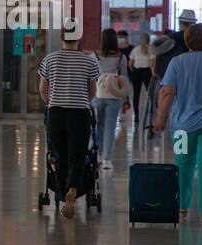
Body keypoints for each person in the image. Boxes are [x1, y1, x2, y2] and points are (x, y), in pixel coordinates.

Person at [151, 22, 202, 224]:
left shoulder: (176, 63)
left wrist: (160, 118)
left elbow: (167, 92)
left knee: (183, 165)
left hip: (181, 127)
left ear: (186, 41)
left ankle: (183, 208)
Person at [38, 24, 99, 218]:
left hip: (55, 114)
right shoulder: (88, 61)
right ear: (78, 37)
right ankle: (73, 190)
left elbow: (42, 88)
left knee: (60, 157)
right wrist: (82, 100)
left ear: (61, 37)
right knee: (78, 156)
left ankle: (64, 196)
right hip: (79, 114)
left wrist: (51, 102)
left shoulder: (50, 59)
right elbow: (93, 91)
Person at [93, 29, 130, 169]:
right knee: (110, 128)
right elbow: (124, 79)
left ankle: (96, 154)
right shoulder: (121, 57)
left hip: (98, 94)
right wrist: (126, 100)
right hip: (114, 97)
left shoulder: (94, 56)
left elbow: (91, 76)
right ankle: (107, 160)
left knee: (98, 126)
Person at [128, 33, 153, 127]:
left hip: (137, 72)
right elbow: (151, 64)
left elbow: (130, 63)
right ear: (149, 40)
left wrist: (133, 71)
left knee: (136, 95)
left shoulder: (135, 49)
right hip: (147, 72)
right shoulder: (151, 50)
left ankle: (137, 117)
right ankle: (149, 115)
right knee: (149, 94)